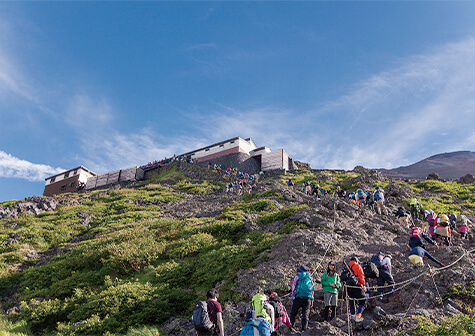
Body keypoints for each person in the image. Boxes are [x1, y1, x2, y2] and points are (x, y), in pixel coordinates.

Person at [289, 265, 314, 331]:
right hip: (307, 299)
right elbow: (312, 290)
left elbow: (294, 289)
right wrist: (312, 300)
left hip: (298, 298)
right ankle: (304, 329)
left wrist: (293, 298)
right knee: (305, 314)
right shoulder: (310, 278)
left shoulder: (297, 278)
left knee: (293, 313)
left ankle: (291, 326)